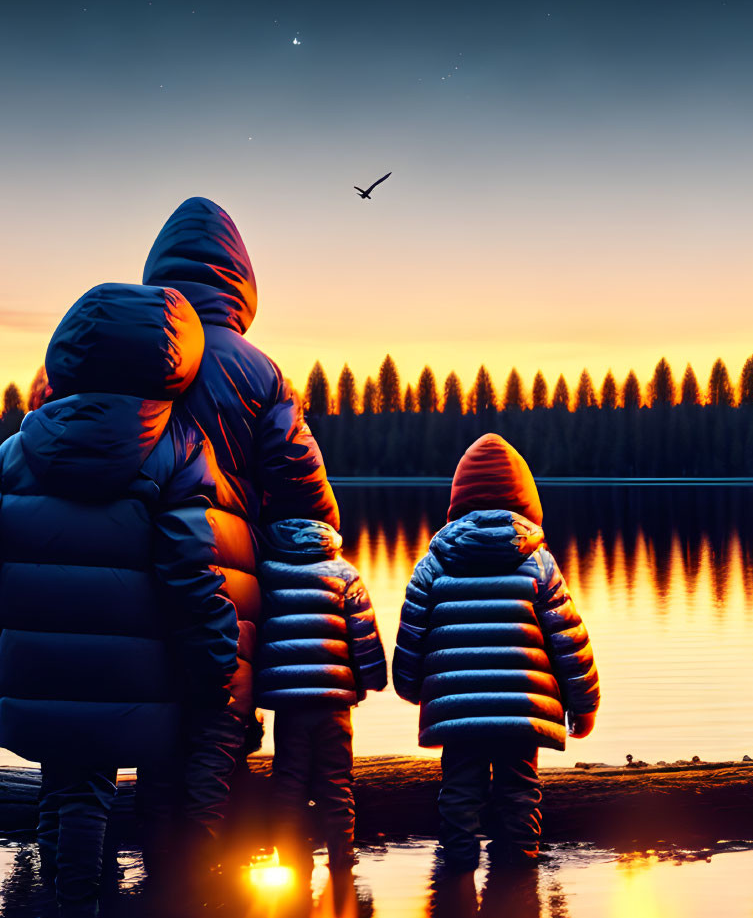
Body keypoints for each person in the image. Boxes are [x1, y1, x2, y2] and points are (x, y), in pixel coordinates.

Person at [0, 283, 240, 899]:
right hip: (130, 669)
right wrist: (217, 663)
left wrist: (9, 627)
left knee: (64, 784)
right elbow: (191, 571)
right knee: (88, 793)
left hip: (39, 658)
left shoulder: (14, 452)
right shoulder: (178, 449)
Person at [139, 196, 341, 838]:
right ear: (240, 282)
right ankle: (204, 878)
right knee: (220, 722)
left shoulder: (133, 355)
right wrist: (319, 553)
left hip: (138, 572)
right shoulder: (256, 371)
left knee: (158, 717)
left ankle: (158, 878)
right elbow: (303, 488)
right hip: (231, 579)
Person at [393, 434, 600, 870]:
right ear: (527, 501)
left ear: (457, 499)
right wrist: (585, 706)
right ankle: (519, 883)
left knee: (459, 792)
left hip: (457, 706)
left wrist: (414, 689)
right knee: (519, 792)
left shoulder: (432, 565)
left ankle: (455, 880)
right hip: (522, 710)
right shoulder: (539, 564)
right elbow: (569, 640)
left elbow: (412, 634)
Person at [254, 516, 387, 867]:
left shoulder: (267, 573)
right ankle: (342, 857)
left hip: (289, 700)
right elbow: (364, 635)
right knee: (336, 779)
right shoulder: (343, 573)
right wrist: (372, 679)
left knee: (289, 779)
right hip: (334, 698)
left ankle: (292, 859)